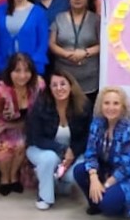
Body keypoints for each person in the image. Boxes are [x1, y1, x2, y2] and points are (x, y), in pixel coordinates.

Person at [73, 87, 130, 218]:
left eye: (116, 103)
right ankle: (96, 202)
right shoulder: (97, 124)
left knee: (109, 205)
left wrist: (105, 185)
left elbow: (127, 168)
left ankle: (120, 204)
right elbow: (90, 153)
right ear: (101, 105)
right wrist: (93, 178)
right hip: (107, 169)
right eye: (107, 103)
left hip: (129, 176)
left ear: (123, 107)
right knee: (79, 170)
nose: (111, 107)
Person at [0, 52, 43, 195]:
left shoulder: (38, 86)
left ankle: (14, 177)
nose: (22, 75)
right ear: (10, 72)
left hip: (25, 128)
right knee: (5, 147)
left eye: (27, 71)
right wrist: (11, 126)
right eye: (17, 71)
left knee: (20, 144)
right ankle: (4, 178)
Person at [26, 71, 92, 210]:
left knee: (74, 175)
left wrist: (73, 151)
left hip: (74, 150)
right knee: (49, 158)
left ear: (71, 85)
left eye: (63, 84)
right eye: (54, 85)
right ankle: (45, 197)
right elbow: (36, 138)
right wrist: (62, 151)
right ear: (49, 88)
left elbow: (88, 136)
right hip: (42, 149)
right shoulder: (40, 106)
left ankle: (56, 181)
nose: (59, 88)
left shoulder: (84, 105)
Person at [49, 0, 100, 106]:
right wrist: (66, 54)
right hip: (64, 78)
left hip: (89, 79)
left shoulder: (96, 19)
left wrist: (85, 52)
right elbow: (51, 43)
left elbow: (103, 45)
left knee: (86, 116)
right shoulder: (59, 17)